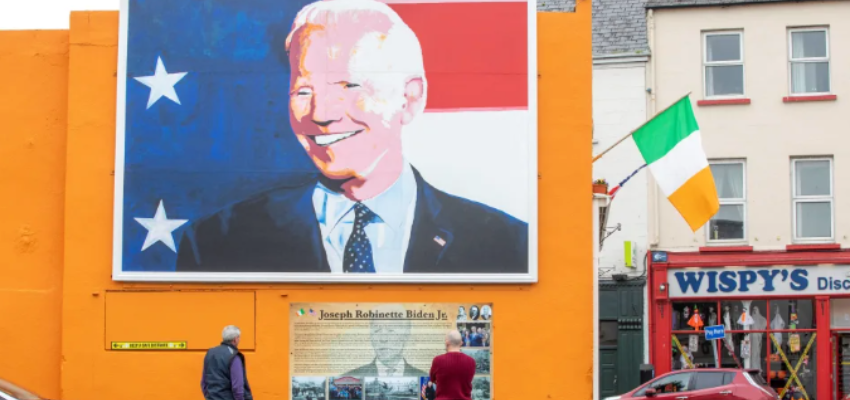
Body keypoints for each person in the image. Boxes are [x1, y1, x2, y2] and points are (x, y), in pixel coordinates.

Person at [175, 0, 528, 274]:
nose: (321, 112)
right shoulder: (216, 241)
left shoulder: (507, 242)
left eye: (349, 86)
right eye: (302, 91)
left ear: (410, 98)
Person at [346, 306, 427, 377]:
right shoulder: (352, 377)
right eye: (377, 329)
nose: (383, 339)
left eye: (391, 329)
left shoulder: (425, 377)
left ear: (406, 335)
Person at [201, 325, 253, 400]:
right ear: (235, 339)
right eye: (239, 337)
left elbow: (204, 382)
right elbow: (237, 388)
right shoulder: (234, 356)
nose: (239, 339)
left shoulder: (210, 353)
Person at [430, 330, 475, 400]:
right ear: (461, 343)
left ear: (447, 342)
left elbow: (433, 379)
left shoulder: (437, 360)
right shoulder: (471, 361)